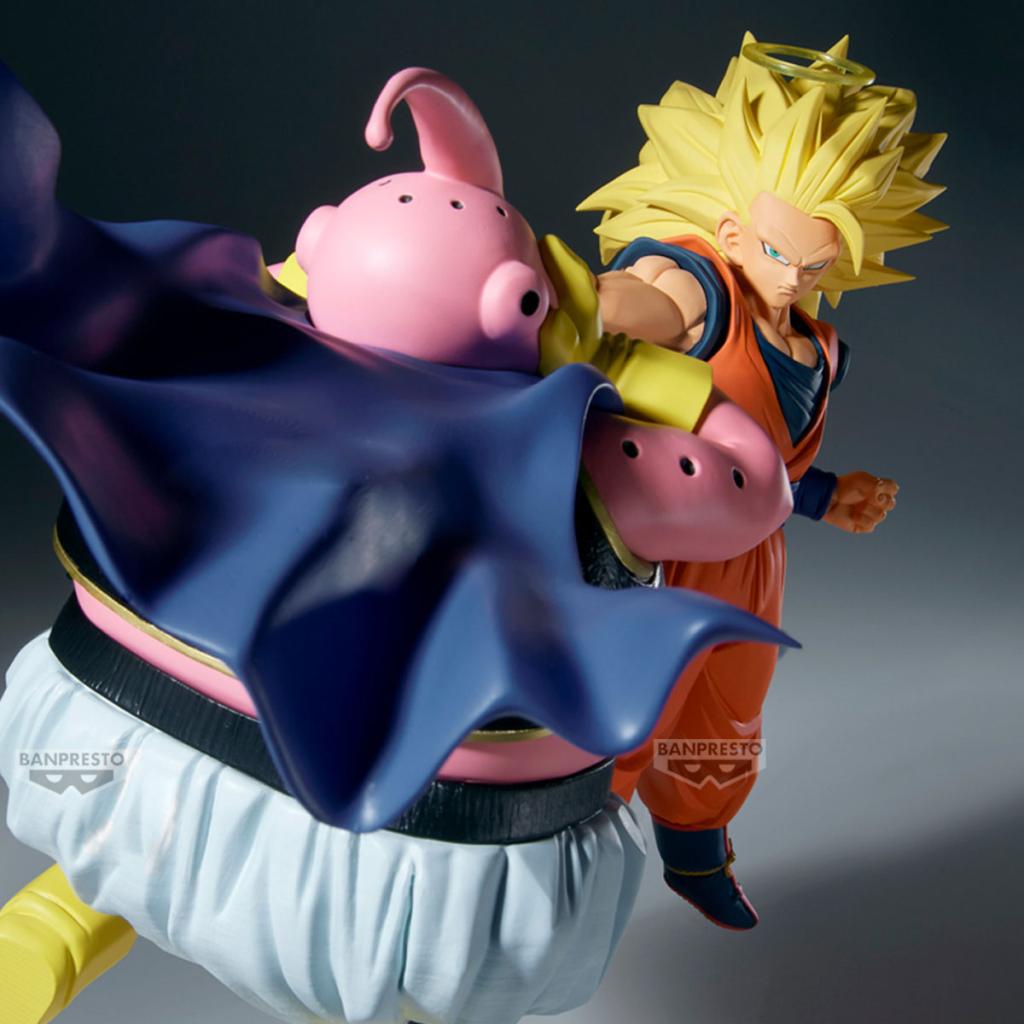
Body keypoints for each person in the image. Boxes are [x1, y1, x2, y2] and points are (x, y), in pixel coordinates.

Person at [577, 32, 946, 929]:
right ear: (736, 233)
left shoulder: (818, 345)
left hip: (752, 558)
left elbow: (770, 467)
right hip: (654, 547)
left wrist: (826, 495)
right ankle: (561, 868)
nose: (794, 279)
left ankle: (696, 856)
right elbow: (622, 304)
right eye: (779, 254)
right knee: (619, 707)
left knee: (725, 719)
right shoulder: (698, 289)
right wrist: (554, 294)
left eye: (816, 265)